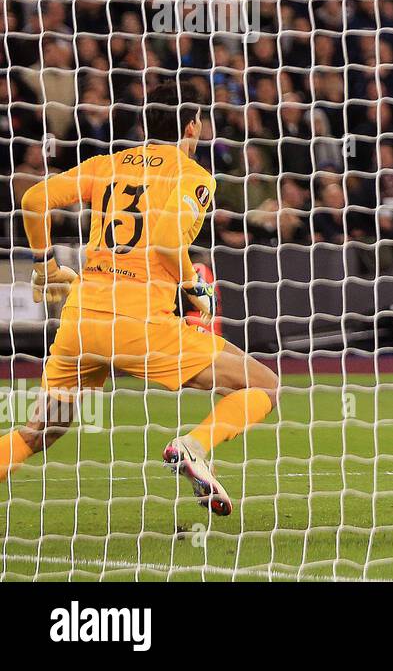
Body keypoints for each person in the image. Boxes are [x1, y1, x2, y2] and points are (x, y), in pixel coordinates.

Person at [0, 81, 279, 515]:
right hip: (140, 325)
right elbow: (168, 243)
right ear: (194, 126)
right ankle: (193, 446)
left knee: (42, 430)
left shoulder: (107, 164)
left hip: (82, 326)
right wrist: (196, 286)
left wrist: (45, 268)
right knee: (263, 383)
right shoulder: (193, 177)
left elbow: (35, 199)